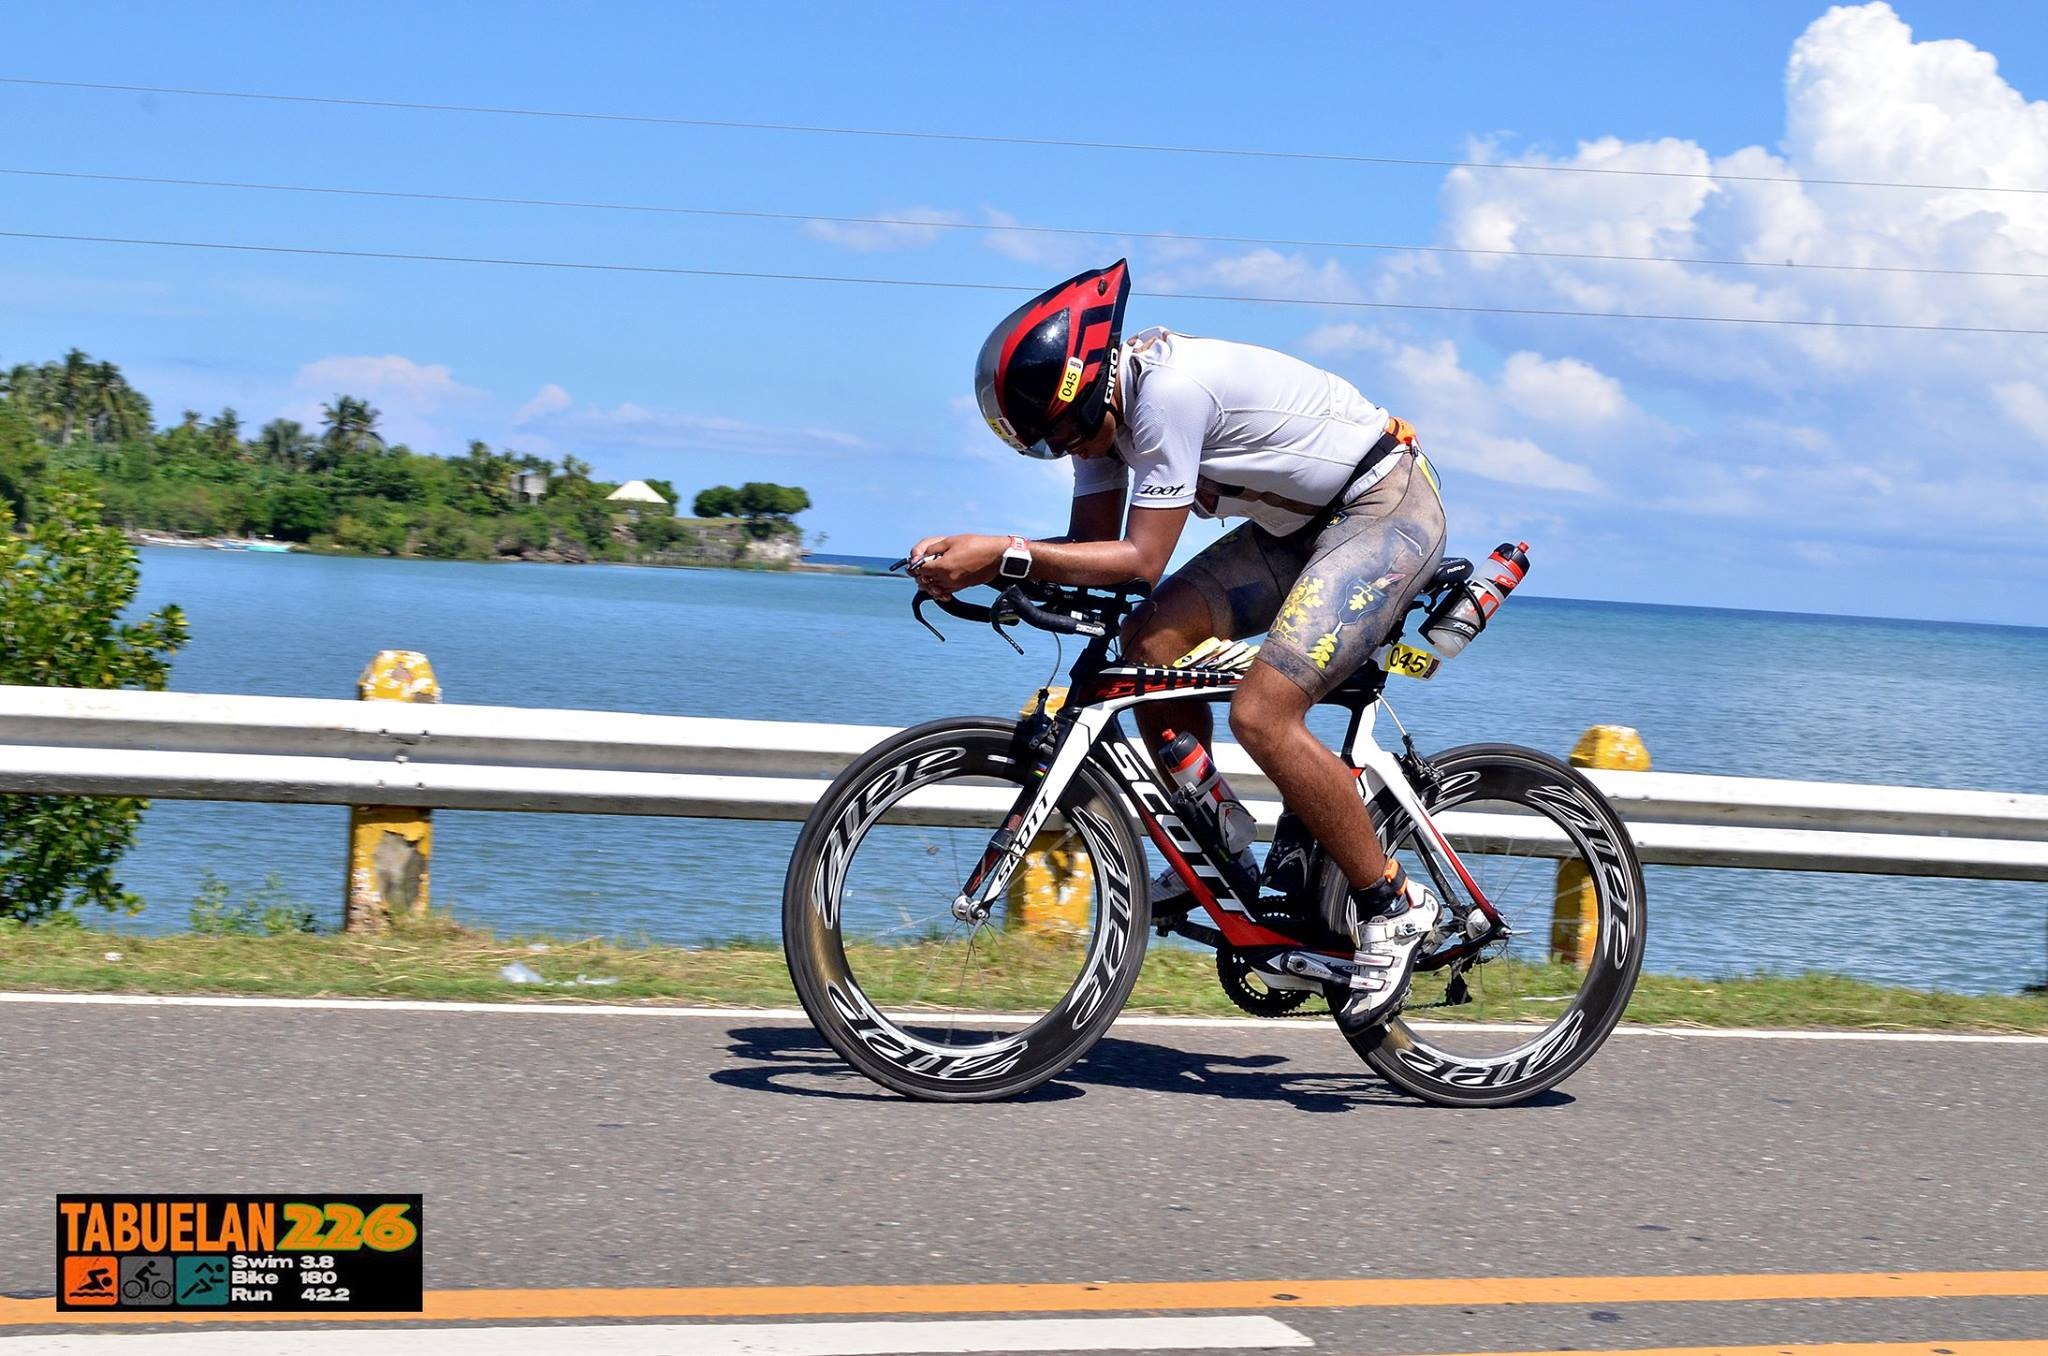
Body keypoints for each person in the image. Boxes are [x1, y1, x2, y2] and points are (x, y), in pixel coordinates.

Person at [907, 259, 1451, 1028]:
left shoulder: (1163, 396)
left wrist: (1000, 551)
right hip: (1298, 530)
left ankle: (1393, 902)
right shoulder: (1097, 413)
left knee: (1264, 714)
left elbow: (1139, 559)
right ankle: (1221, 838)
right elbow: (1090, 552)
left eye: (1061, 435)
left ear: (1087, 385)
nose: (1065, 451)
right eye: (1043, 446)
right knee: (1148, 643)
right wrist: (993, 570)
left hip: (1384, 510)